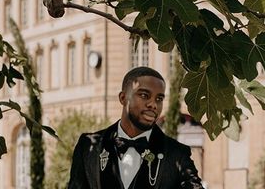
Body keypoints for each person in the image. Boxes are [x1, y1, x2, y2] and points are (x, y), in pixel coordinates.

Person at [67, 66, 203, 189]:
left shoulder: (177, 153)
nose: (153, 104)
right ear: (123, 98)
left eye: (159, 99)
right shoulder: (88, 146)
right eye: (144, 95)